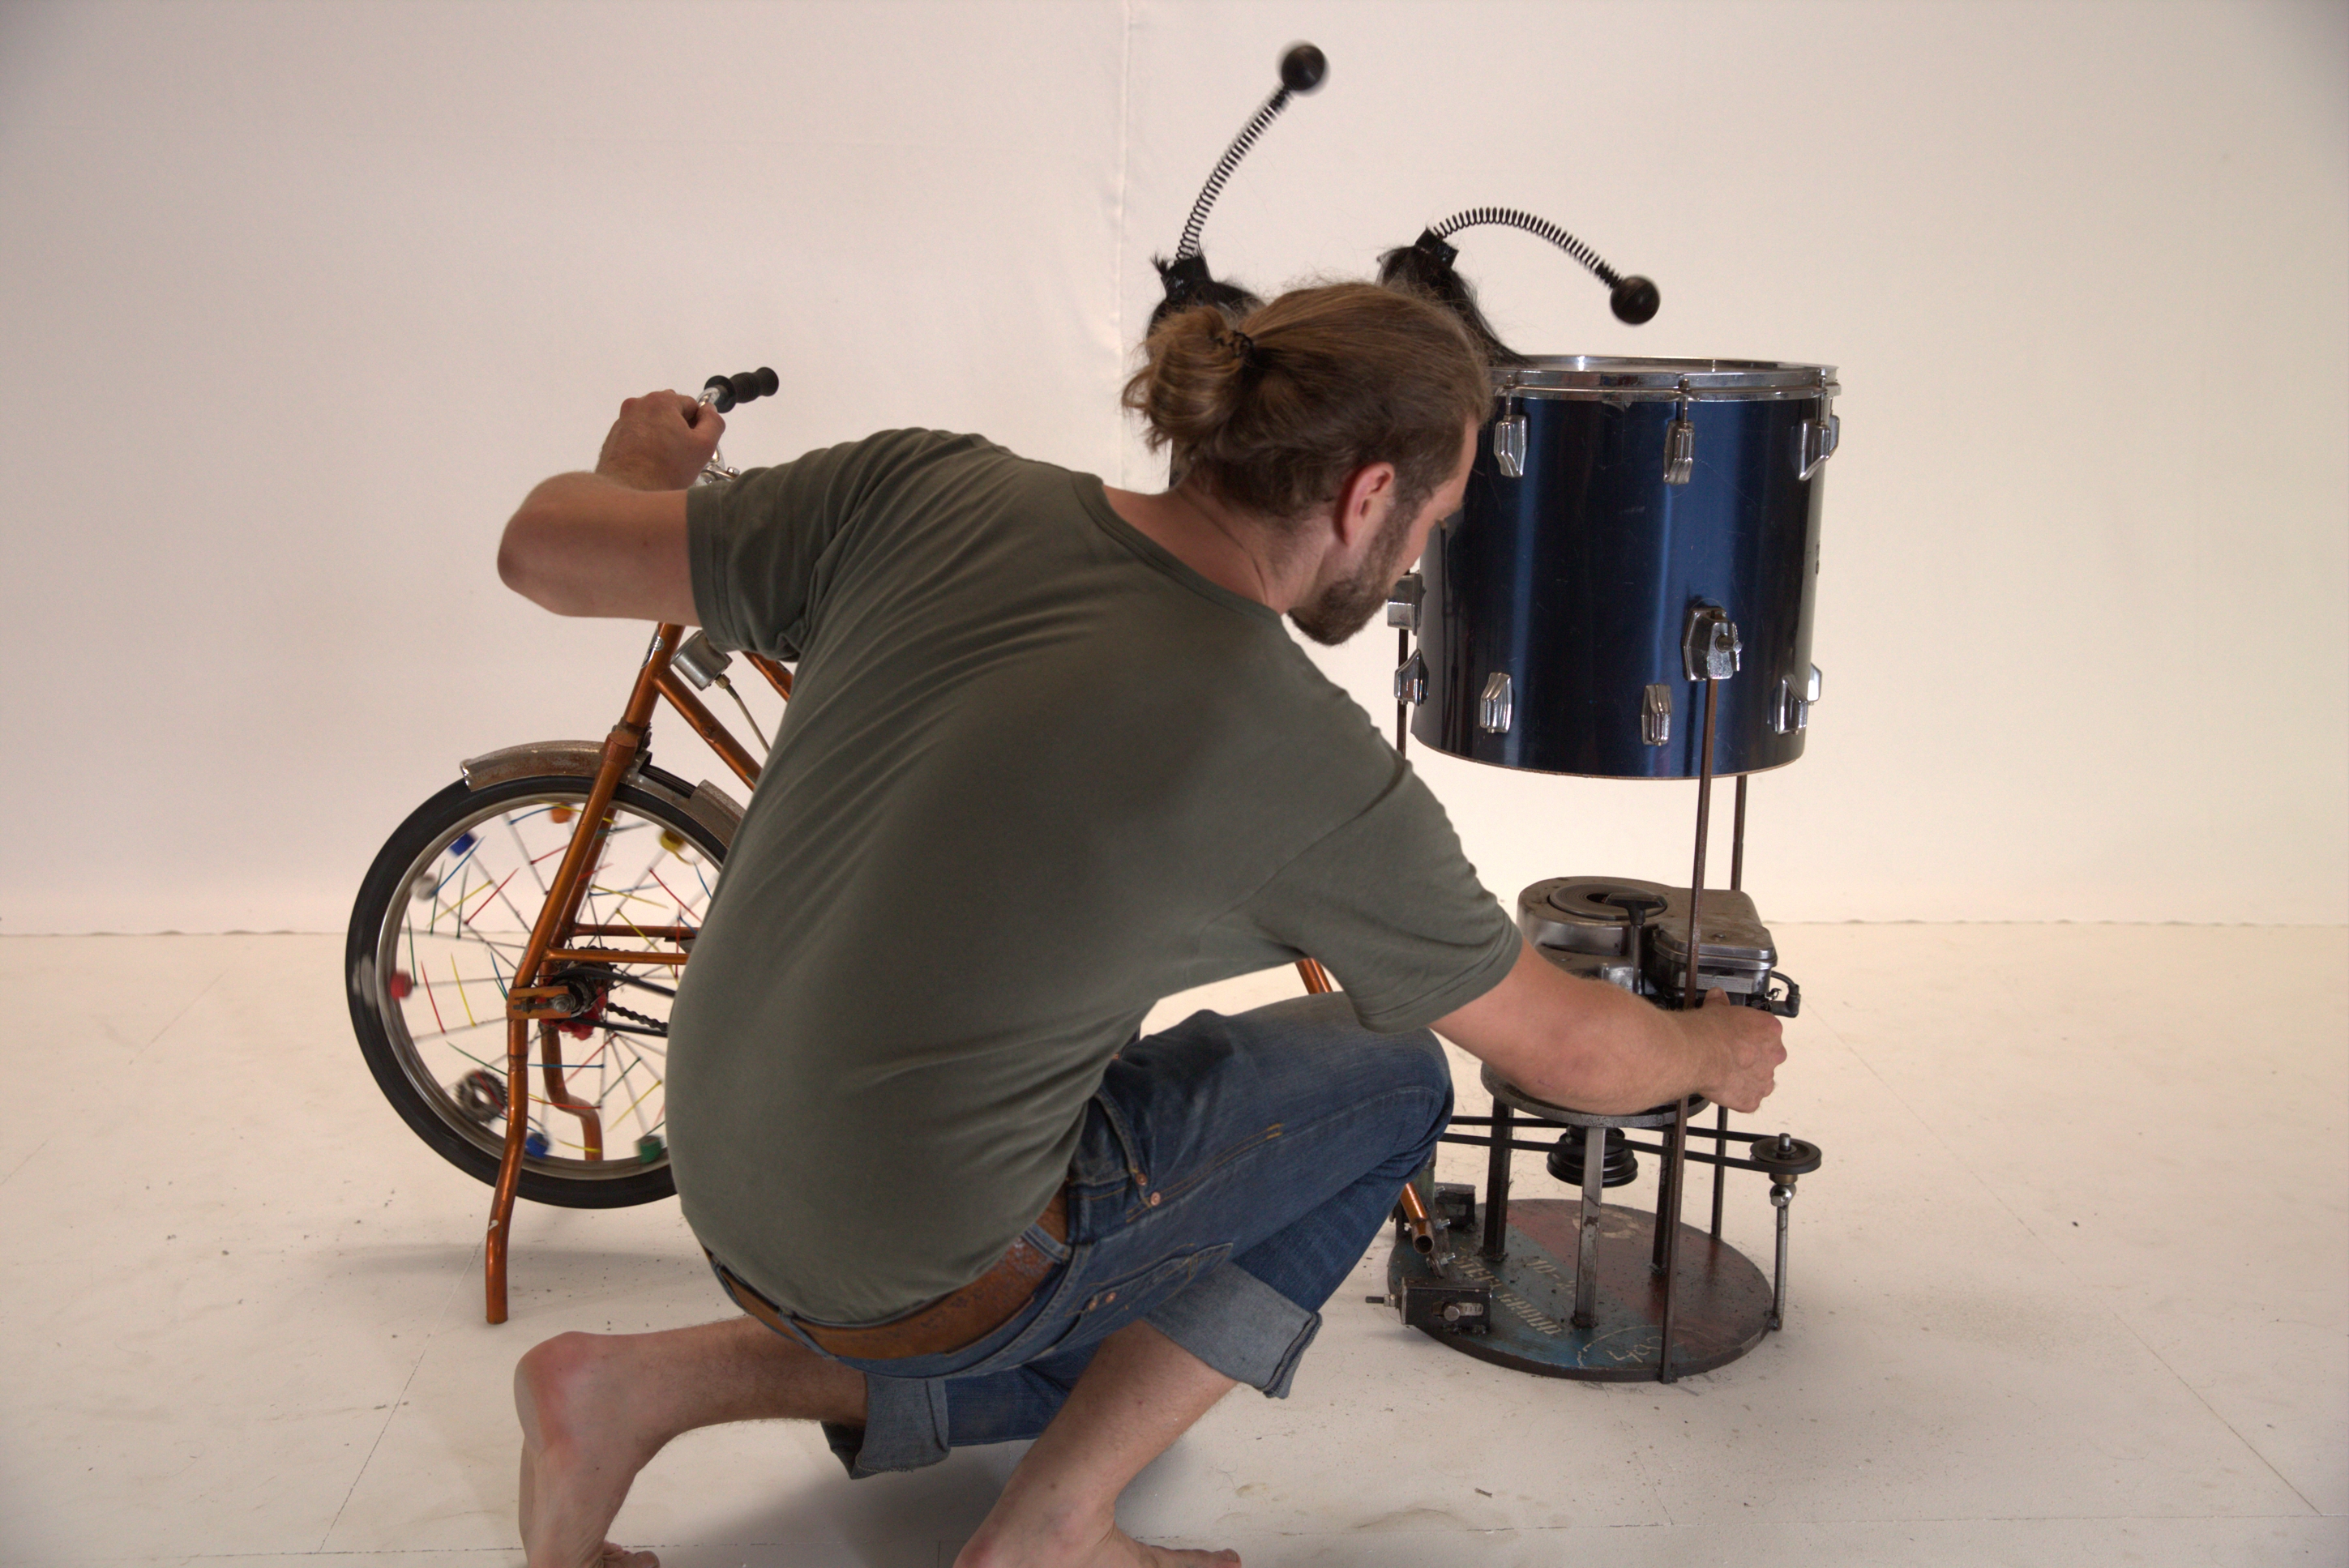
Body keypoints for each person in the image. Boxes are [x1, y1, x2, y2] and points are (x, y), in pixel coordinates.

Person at [494, 281, 1786, 1568]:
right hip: (918, 1269)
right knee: (1385, 1087)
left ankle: (625, 1389)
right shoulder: (1299, 759)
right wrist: (1712, 1049)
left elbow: (544, 550)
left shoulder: (924, 487)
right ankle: (1050, 1531)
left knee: (1113, 1303)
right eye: (1434, 521)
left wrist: (638, 473)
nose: (1419, 559)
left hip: (720, 1184)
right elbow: (1573, 1053)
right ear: (1366, 497)